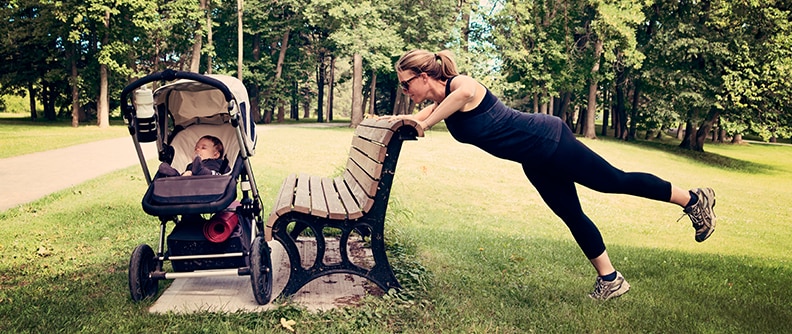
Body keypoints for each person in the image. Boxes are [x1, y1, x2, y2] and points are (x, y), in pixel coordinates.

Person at [383, 49, 717, 301]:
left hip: (549, 140)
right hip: (535, 158)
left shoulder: (460, 85)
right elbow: (420, 116)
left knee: (614, 181)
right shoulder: (441, 103)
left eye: (406, 83)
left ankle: (693, 199)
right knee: (571, 214)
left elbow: (464, 95)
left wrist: (426, 123)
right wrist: (393, 121)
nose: (404, 89)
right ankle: (611, 279)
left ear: (425, 76)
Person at [158, 135, 230, 177]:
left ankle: (201, 171)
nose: (197, 150)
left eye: (203, 148)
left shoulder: (219, 162)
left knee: (209, 174)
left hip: (211, 181)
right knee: (186, 175)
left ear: (216, 154)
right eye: (196, 148)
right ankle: (174, 175)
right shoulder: (191, 165)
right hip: (192, 183)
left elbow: (227, 172)